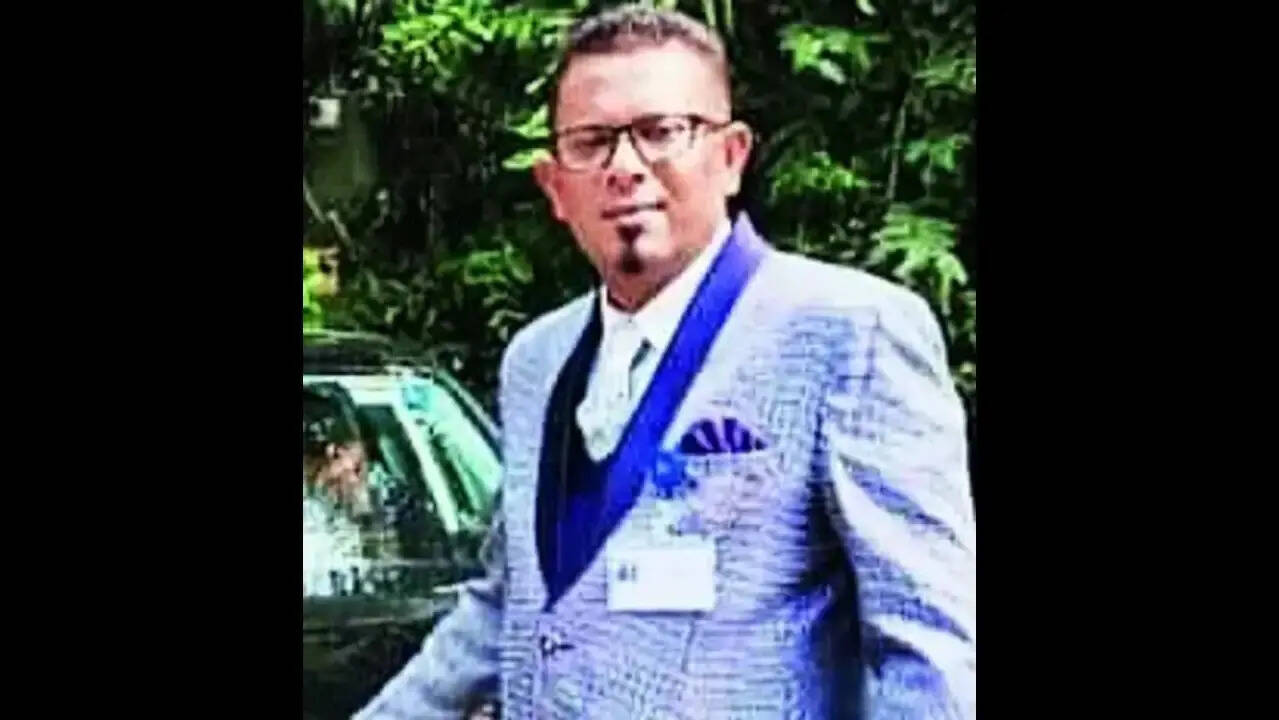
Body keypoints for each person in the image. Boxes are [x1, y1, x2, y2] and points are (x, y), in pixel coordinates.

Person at [355, 5, 975, 719]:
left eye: (661, 132)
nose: (625, 168)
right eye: (592, 142)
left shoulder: (849, 332)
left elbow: (929, 645)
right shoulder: (535, 360)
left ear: (731, 156)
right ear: (554, 186)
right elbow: (508, 602)